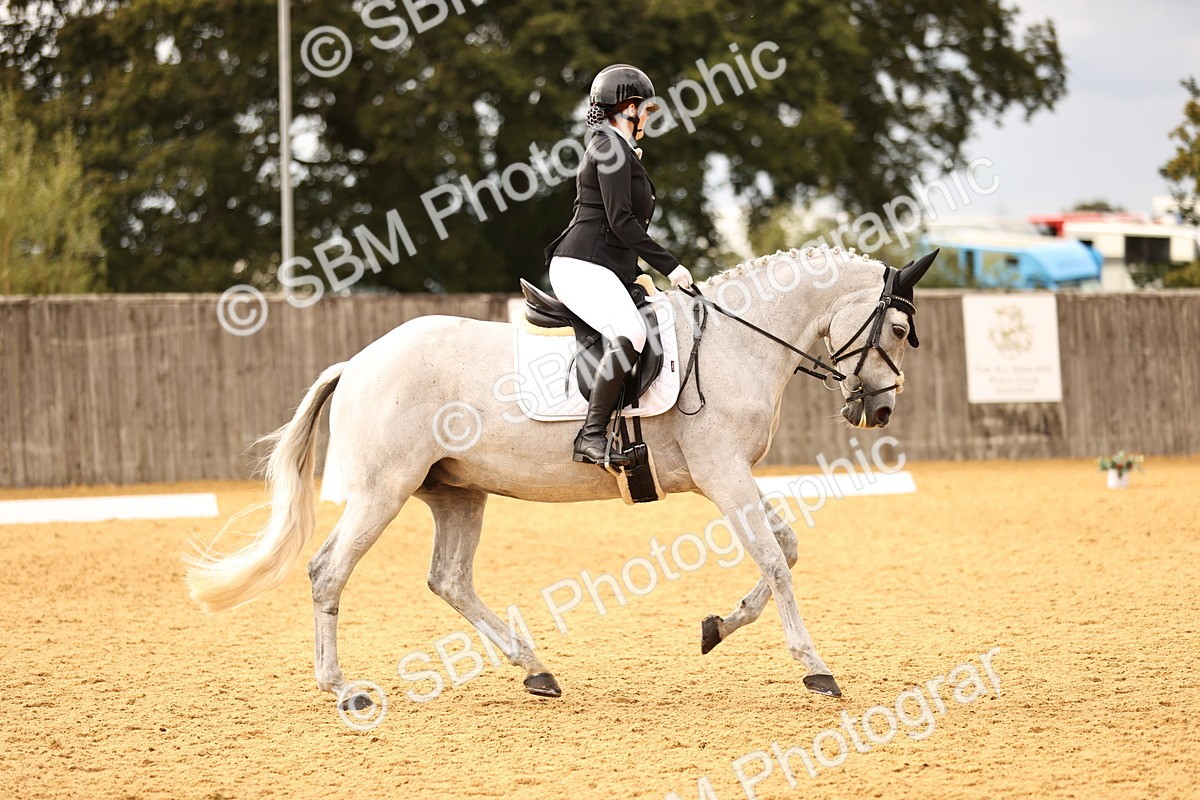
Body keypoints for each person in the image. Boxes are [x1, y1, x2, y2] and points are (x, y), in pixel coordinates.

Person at [542, 64, 694, 466]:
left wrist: (636, 275)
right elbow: (621, 221)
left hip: (602, 267)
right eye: (646, 109)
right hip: (580, 265)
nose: (648, 117)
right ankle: (590, 436)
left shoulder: (617, 148)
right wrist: (671, 267)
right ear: (629, 107)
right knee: (630, 331)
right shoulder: (609, 148)